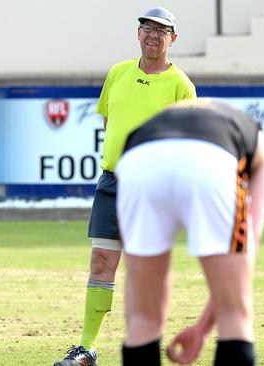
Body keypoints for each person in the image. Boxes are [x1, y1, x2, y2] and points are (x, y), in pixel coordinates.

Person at [52, 6, 196, 366]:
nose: (152, 35)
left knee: (146, 270)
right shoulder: (117, 73)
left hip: (152, 188)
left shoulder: (181, 85)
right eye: (146, 28)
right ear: (138, 34)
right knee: (101, 261)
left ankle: (145, 346)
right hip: (113, 182)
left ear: (172, 39)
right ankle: (87, 348)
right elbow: (107, 120)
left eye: (161, 31)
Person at [116, 99, 264, 366]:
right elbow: (249, 244)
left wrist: (200, 328)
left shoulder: (165, 118)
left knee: (142, 320)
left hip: (138, 160)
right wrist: (204, 328)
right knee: (235, 315)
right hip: (212, 159)